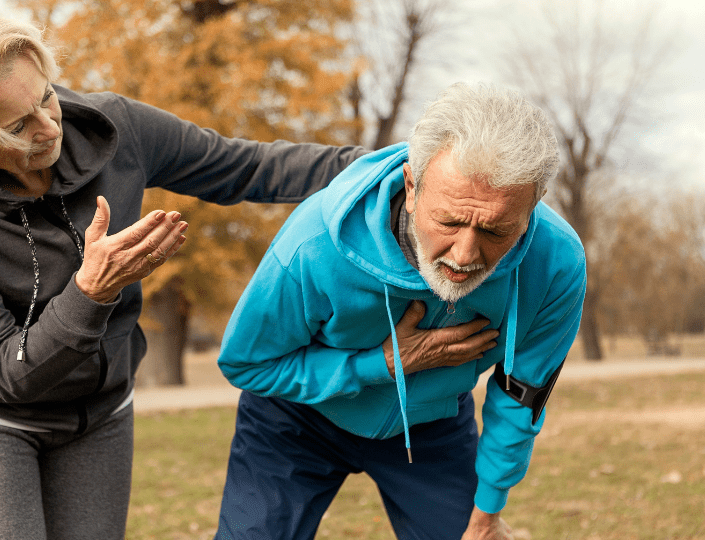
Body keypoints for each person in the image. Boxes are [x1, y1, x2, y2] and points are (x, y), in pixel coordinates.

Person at [0, 5, 365, 540]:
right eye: (17, 126)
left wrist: (399, 166)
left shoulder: (114, 127)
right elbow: (6, 370)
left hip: (100, 408)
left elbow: (249, 167)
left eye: (46, 95)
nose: (50, 127)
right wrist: (90, 291)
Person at [215, 82, 587, 540]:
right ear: (412, 187)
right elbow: (246, 363)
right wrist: (383, 363)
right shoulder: (312, 246)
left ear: (534, 205)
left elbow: (522, 391)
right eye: (449, 222)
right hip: (295, 419)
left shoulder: (556, 264)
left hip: (431, 425)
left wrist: (488, 507)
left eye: (495, 230)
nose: (465, 254)